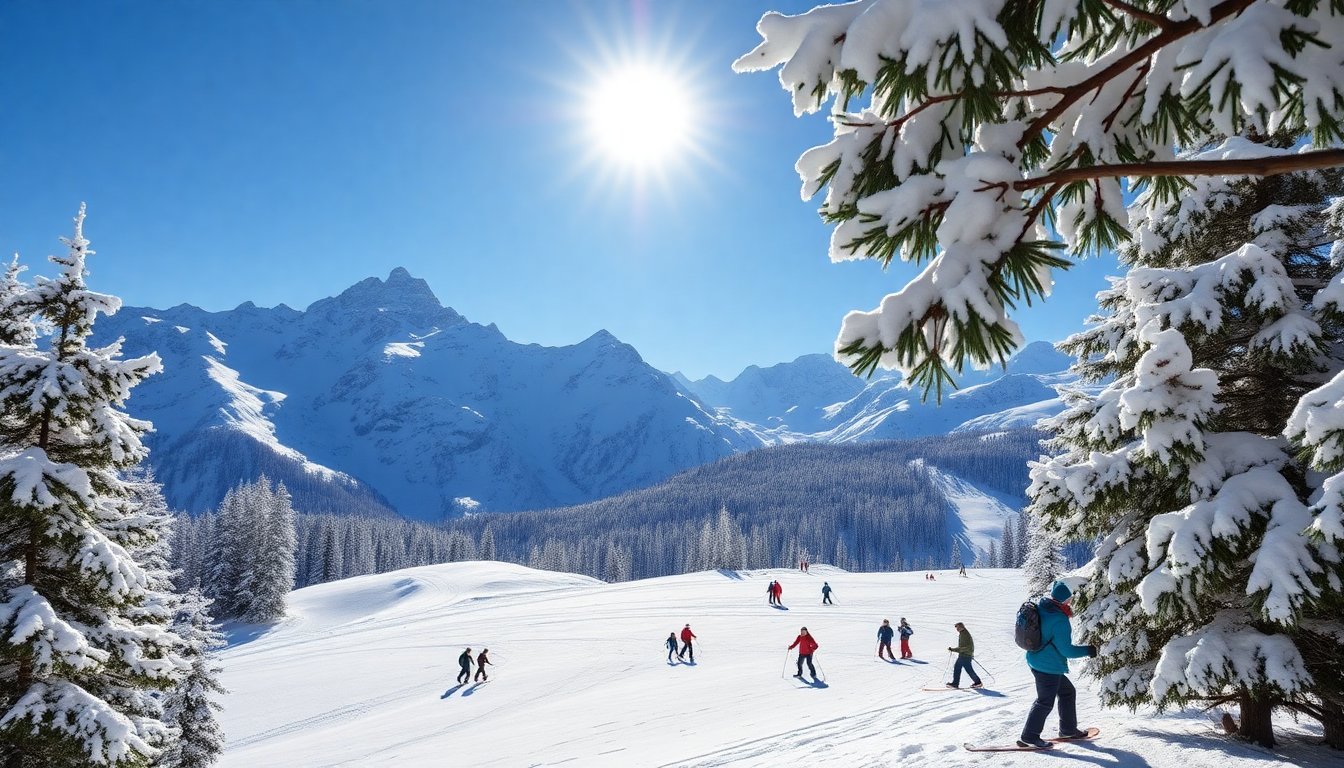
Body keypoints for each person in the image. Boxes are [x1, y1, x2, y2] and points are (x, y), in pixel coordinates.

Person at [1018, 580, 1097, 749]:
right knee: (1045, 701)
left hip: (1036, 659)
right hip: (1048, 666)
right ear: (1063, 600)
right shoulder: (1059, 620)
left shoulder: (1043, 607)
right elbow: (1067, 651)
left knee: (1067, 692)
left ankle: (1068, 729)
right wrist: (1089, 650)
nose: (1071, 602)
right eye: (1069, 599)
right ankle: (1029, 737)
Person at [946, 622, 982, 688]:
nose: (957, 629)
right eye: (956, 628)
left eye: (958, 627)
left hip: (965, 655)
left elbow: (966, 647)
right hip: (965, 655)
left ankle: (955, 684)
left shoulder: (964, 634)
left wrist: (954, 649)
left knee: (960, 668)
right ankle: (977, 682)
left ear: (961, 627)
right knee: (965, 669)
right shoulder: (963, 633)